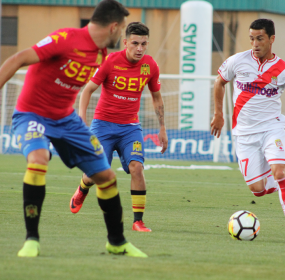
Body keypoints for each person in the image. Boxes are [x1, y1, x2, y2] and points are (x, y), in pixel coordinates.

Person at [0, 0, 147, 257]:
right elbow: (19, 58)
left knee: (106, 177)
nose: (122, 34)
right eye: (122, 28)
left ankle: (117, 242)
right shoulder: (66, 38)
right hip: (32, 115)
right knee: (38, 159)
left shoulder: (101, 54)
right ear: (114, 27)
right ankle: (31, 240)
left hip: (67, 121)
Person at [211, 19, 285, 243]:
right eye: (251, 38)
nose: (255, 43)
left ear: (271, 39)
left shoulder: (284, 70)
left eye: (260, 38)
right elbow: (219, 83)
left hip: (272, 128)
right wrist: (219, 114)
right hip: (244, 134)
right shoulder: (237, 61)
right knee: (257, 189)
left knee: (278, 172)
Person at [69, 22, 168, 233]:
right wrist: (81, 121)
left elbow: (157, 97)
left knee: (137, 167)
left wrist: (162, 128)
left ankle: (138, 221)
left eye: (144, 44)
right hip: (102, 126)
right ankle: (83, 188)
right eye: (135, 43)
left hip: (130, 128)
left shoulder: (150, 66)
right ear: (125, 43)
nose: (139, 48)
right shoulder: (110, 61)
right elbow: (87, 91)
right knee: (99, 172)